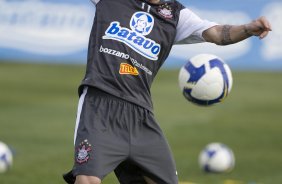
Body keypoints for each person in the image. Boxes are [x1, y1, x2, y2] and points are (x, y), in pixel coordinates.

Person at [63, 0, 271, 183]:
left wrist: (247, 29)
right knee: (87, 178)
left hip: (141, 114)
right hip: (100, 103)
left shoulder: (175, 14)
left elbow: (217, 33)